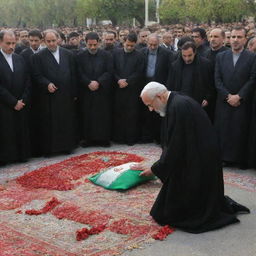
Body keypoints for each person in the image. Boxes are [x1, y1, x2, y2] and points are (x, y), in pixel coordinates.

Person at [131, 81, 249, 234]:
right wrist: (160, 165)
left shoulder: (178, 106)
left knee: (168, 214)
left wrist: (155, 169)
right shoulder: (175, 101)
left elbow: (175, 146)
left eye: (150, 104)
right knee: (163, 206)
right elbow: (174, 143)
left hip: (199, 161)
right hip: (195, 154)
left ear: (160, 96)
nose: (150, 109)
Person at [215, 27, 256, 169]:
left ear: (245, 39)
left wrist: (239, 96)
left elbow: (252, 79)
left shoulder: (252, 57)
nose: (235, 40)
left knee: (240, 130)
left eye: (239, 37)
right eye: (233, 37)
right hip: (224, 101)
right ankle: (224, 158)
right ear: (229, 39)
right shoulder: (221, 56)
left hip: (242, 102)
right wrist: (228, 96)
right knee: (224, 129)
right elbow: (217, 79)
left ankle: (240, 159)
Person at [32, 29, 77, 156]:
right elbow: (36, 75)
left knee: (66, 121)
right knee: (50, 123)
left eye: (53, 40)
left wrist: (74, 93)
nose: (51, 44)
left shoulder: (68, 54)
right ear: (44, 41)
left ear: (58, 39)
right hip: (49, 96)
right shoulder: (38, 57)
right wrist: (46, 83)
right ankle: (51, 149)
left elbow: (73, 74)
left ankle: (66, 146)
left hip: (66, 95)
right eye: (48, 41)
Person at [77, 32, 113, 147]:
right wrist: (88, 82)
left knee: (102, 115)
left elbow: (109, 71)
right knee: (87, 115)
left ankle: (103, 139)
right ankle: (88, 139)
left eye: (94, 45)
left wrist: (98, 82)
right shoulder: (80, 56)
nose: (92, 48)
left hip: (101, 90)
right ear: (86, 43)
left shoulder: (106, 55)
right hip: (87, 90)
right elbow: (79, 72)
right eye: (90, 45)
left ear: (99, 43)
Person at [0, 30, 31, 164]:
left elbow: (27, 80)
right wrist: (13, 102)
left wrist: (22, 99)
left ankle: (20, 155)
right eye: (8, 43)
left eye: (13, 43)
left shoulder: (19, 58)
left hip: (21, 102)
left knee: (20, 130)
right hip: (4, 104)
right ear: (0, 42)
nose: (11, 46)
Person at [167, 41, 215, 120]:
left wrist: (207, 98)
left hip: (199, 103)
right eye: (184, 56)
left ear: (195, 52)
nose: (187, 58)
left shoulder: (206, 64)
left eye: (190, 55)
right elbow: (170, 85)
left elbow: (211, 84)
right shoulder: (175, 66)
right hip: (180, 103)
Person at [140, 34, 174, 143]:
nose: (153, 47)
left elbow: (169, 72)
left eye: (155, 45)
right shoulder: (141, 52)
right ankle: (147, 136)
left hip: (160, 87)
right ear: (147, 43)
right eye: (150, 44)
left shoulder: (167, 54)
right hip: (145, 85)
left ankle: (159, 137)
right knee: (146, 112)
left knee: (159, 112)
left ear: (159, 43)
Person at [112, 32, 144, 145]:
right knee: (119, 113)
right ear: (124, 42)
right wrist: (118, 80)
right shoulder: (116, 53)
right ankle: (119, 137)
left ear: (135, 44)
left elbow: (139, 72)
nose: (129, 47)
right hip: (119, 88)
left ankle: (131, 138)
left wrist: (128, 81)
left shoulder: (139, 55)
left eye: (132, 46)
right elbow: (113, 69)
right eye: (128, 45)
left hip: (132, 90)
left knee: (132, 115)